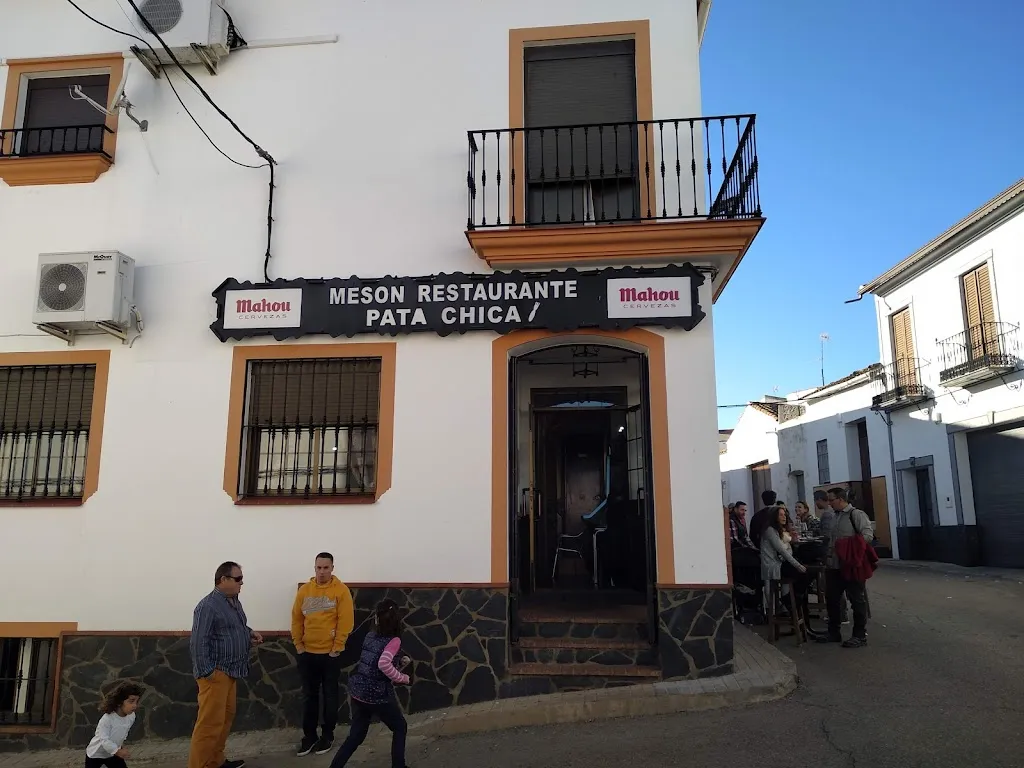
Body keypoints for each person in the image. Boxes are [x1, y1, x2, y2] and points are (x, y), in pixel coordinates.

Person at [188, 561, 263, 768]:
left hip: (231, 672)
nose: (241, 583)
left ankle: (215, 762)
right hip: (216, 674)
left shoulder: (234, 601)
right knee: (209, 726)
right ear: (223, 580)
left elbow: (235, 627)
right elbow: (198, 642)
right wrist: (208, 672)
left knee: (224, 721)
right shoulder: (207, 606)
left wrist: (249, 633)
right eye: (238, 579)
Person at [329, 599, 412, 768]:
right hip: (377, 694)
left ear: (377, 619)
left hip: (359, 691)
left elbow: (375, 659)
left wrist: (399, 660)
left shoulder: (369, 635)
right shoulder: (394, 640)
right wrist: (403, 678)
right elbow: (383, 664)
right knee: (399, 727)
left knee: (356, 736)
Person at [293, 552, 355, 757]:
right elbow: (296, 620)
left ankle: (327, 735)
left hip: (330, 655)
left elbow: (346, 621)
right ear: (314, 568)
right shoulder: (305, 591)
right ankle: (309, 737)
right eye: (318, 568)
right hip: (307, 653)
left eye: (325, 568)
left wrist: (336, 648)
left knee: (330, 696)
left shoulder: (341, 591)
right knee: (309, 697)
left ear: (332, 568)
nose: (321, 572)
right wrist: (299, 646)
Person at [816, 487, 873, 648]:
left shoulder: (856, 515)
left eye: (831, 499)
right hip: (834, 565)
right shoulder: (834, 516)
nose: (829, 503)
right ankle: (834, 632)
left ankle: (859, 635)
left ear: (840, 499)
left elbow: (868, 536)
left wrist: (848, 546)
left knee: (857, 600)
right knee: (832, 599)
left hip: (851, 565)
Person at [760, 504, 810, 613]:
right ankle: (790, 603)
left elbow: (788, 551)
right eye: (781, 515)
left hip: (780, 563)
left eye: (785, 515)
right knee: (803, 573)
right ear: (774, 517)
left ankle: (791, 602)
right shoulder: (770, 531)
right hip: (773, 566)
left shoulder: (779, 531)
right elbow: (782, 551)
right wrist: (798, 565)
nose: (784, 517)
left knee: (806, 571)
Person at [85, 682, 143, 768]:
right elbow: (104, 740)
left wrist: (119, 747)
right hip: (95, 754)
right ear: (120, 702)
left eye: (136, 701)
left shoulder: (131, 716)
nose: (135, 705)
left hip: (113, 754)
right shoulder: (107, 719)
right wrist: (117, 751)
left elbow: (123, 732)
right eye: (131, 701)